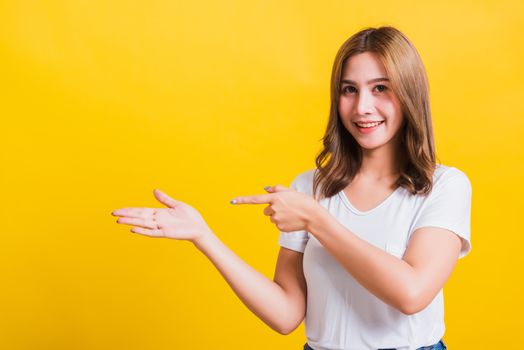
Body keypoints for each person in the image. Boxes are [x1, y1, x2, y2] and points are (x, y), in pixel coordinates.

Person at [111, 26, 471, 350]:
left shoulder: (444, 186)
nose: (362, 107)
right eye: (349, 90)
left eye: (380, 88)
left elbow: (411, 293)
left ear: (409, 93)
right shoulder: (310, 188)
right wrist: (204, 236)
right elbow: (286, 314)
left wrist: (316, 220)